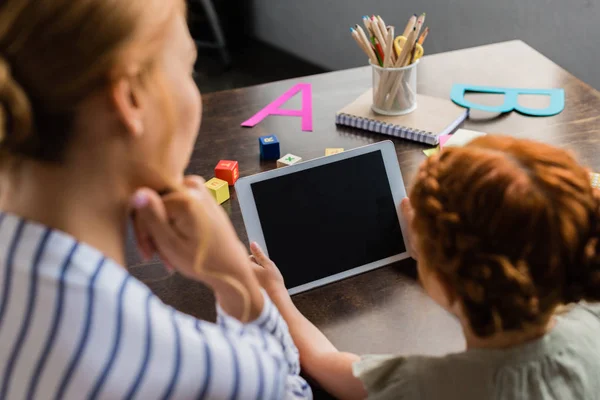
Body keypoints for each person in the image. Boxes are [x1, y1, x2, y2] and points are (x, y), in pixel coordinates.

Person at [0, 0, 311, 399]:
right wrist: (239, 284)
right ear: (130, 98)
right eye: (188, 69)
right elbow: (288, 390)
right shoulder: (194, 367)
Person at [249, 136, 600, 400]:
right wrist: (436, 252)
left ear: (445, 281)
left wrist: (275, 293)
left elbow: (326, 362)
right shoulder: (592, 324)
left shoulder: (425, 386)